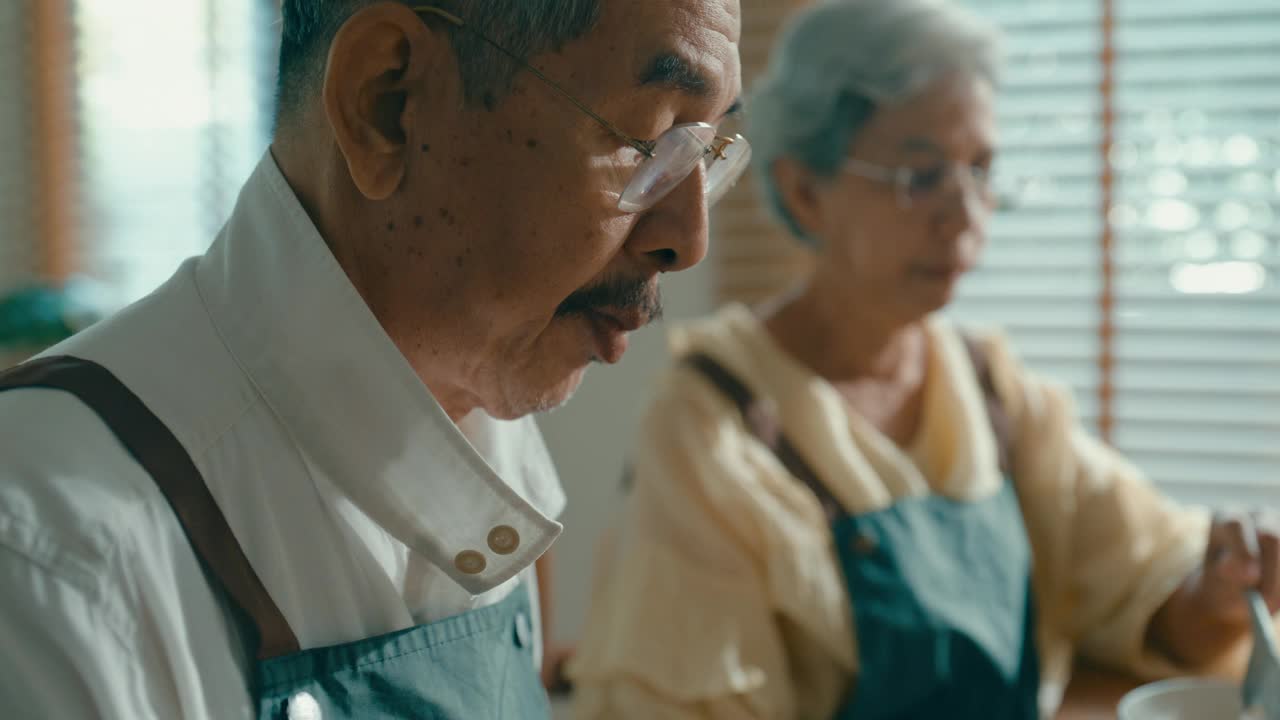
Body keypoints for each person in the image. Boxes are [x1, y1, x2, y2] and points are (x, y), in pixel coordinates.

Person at [0, 0, 747, 717]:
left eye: (708, 149)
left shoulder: (496, 431)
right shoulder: (53, 559)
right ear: (388, 103)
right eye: (648, 140)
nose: (687, 238)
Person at [567, 1, 1280, 718]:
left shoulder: (990, 388)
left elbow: (1141, 580)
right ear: (803, 190)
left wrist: (1219, 589)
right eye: (921, 175)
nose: (966, 215)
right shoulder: (713, 426)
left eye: (981, 169)